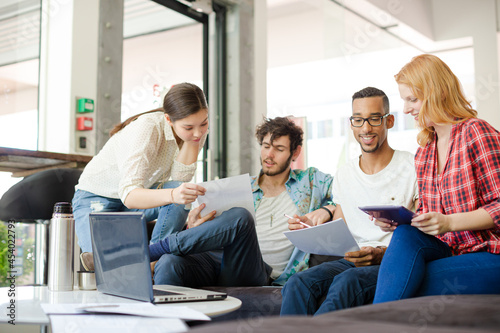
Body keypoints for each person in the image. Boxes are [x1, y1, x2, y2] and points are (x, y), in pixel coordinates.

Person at [373, 54, 500, 303]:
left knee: (407, 282)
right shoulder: (425, 151)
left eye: (413, 99)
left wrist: (450, 222)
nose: (406, 108)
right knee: (404, 236)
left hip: (490, 252)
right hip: (449, 251)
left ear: (438, 93)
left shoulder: (476, 132)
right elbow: (432, 218)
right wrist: (401, 221)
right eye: (405, 100)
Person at [280, 87, 418, 316]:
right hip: (354, 259)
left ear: (389, 120)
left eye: (374, 119)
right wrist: (311, 228)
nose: (366, 128)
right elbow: (340, 230)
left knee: (346, 283)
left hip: (391, 260)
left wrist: (382, 253)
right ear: (351, 123)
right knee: (297, 283)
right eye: (358, 119)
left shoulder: (412, 166)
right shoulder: (344, 173)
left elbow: (422, 230)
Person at [150, 116, 335, 286]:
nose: (269, 155)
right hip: (218, 258)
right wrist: (194, 227)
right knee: (169, 263)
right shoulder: (240, 187)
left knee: (241, 217)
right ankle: (165, 320)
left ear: (295, 153)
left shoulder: (311, 181)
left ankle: (155, 250)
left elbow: (348, 191)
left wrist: (327, 210)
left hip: (255, 271)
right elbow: (216, 232)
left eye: (279, 149)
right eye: (265, 146)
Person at [73, 82, 208, 271]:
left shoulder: (196, 133)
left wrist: (193, 142)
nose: (198, 132)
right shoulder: (148, 127)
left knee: (181, 193)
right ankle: (124, 261)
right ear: (169, 119)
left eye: (204, 123)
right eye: (189, 127)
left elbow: (178, 179)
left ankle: (153, 261)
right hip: (97, 199)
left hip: (134, 201)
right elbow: (129, 195)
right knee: (105, 269)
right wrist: (173, 194)